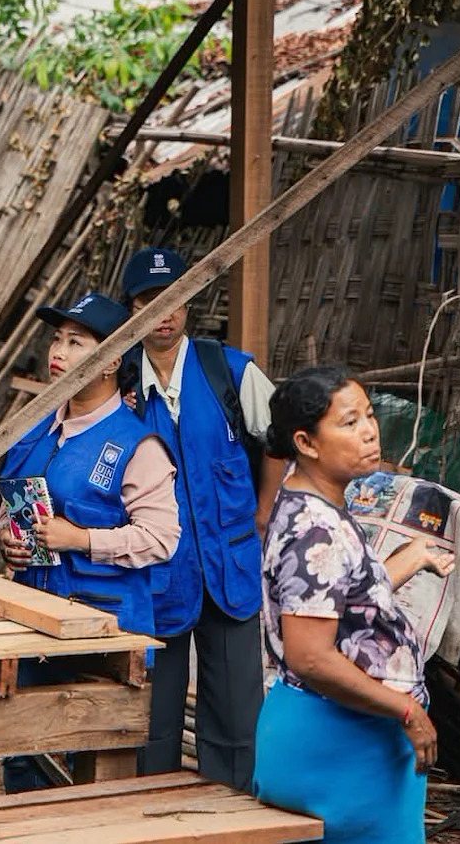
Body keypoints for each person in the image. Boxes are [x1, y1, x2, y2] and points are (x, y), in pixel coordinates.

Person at [253, 366, 454, 842]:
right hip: (341, 743)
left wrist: (410, 559)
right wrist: (408, 711)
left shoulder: (309, 503)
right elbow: (311, 656)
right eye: (348, 423)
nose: (369, 431)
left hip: (339, 736)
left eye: (368, 415)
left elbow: (336, 594)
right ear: (306, 443)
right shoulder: (314, 530)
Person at [0, 291, 181, 791]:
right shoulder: (36, 429)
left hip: (104, 631)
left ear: (112, 360)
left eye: (76, 342)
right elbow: (10, 501)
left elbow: (162, 539)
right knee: (23, 758)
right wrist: (7, 540)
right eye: (57, 340)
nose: (58, 351)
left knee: (89, 768)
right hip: (33, 620)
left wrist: (80, 539)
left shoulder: (137, 444)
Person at [119, 247, 287, 791]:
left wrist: (263, 514)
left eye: (174, 300)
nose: (163, 312)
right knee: (152, 724)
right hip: (153, 575)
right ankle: (155, 821)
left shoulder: (227, 369)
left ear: (189, 303)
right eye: (150, 301)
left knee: (239, 720)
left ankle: (232, 820)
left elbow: (281, 439)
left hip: (230, 567)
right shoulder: (118, 383)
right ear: (132, 308)